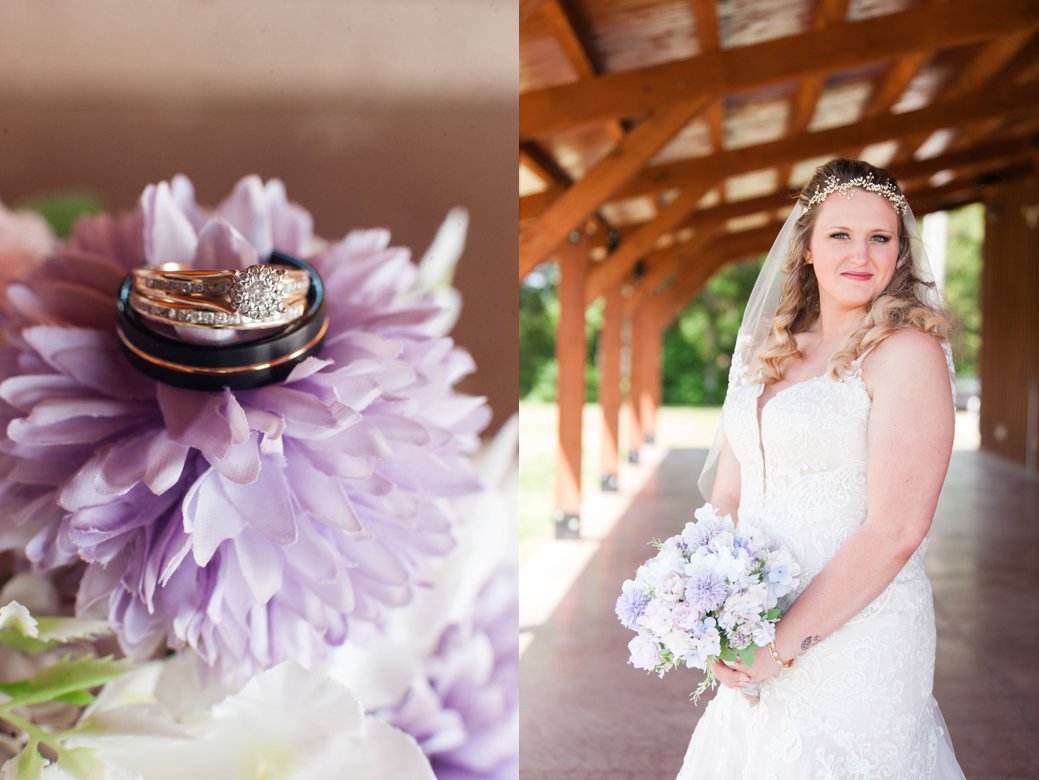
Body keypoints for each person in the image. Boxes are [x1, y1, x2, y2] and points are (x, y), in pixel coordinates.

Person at [677, 159, 965, 778]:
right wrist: (711, 616)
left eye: (879, 238)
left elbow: (897, 528)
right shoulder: (764, 351)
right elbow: (730, 493)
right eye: (840, 235)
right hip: (756, 628)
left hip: (859, 633)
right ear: (806, 246)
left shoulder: (906, 352)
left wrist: (777, 649)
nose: (861, 254)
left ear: (900, 252)